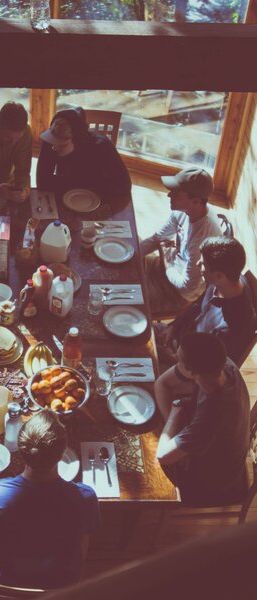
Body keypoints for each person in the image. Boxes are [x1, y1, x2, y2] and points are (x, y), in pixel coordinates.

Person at [0, 410, 100, 589]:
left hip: (8, 577)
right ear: (63, 452)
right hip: (63, 581)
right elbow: (83, 543)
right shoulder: (84, 497)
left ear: (20, 449)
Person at [156, 332, 250, 505]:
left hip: (212, 485)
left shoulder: (213, 414)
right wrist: (182, 445)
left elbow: (162, 455)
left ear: (190, 371)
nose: (176, 364)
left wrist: (175, 413)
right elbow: (162, 383)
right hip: (219, 453)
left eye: (179, 361)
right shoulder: (223, 365)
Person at [156, 236, 256, 369]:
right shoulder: (226, 281)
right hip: (181, 336)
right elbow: (197, 306)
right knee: (141, 332)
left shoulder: (233, 325)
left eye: (203, 263)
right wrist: (173, 327)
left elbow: (208, 367)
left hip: (189, 366)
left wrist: (172, 358)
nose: (198, 264)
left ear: (219, 275)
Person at [140, 167, 222, 314]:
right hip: (168, 266)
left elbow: (187, 288)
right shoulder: (182, 211)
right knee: (125, 267)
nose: (168, 194)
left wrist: (166, 261)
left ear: (196, 201)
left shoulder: (203, 236)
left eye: (176, 193)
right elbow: (156, 239)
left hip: (178, 294)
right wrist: (131, 254)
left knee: (132, 302)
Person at [36, 108, 132, 202]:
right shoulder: (51, 139)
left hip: (94, 201)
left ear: (76, 141)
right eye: (53, 142)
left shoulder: (101, 145)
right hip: (67, 198)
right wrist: (84, 183)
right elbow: (42, 182)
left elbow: (124, 185)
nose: (54, 148)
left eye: (62, 145)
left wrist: (69, 182)